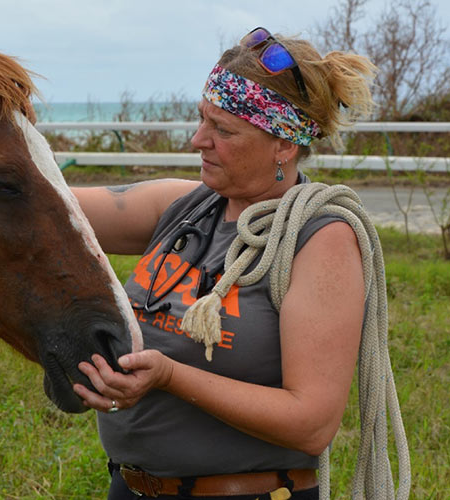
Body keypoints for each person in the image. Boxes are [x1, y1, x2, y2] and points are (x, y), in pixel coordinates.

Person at [70, 27, 379, 500]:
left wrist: (171, 377)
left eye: (223, 129)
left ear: (284, 145)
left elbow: (312, 423)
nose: (198, 140)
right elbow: (51, 207)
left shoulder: (320, 240)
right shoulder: (183, 207)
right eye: (202, 120)